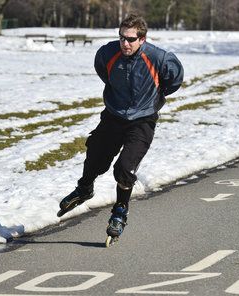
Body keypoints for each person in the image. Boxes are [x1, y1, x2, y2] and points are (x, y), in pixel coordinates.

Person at [57, 13, 184, 241]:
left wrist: (155, 97)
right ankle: (85, 188)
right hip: (114, 116)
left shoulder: (160, 58)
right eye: (122, 38)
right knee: (95, 153)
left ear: (142, 39)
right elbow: (103, 71)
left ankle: (119, 212)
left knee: (124, 169)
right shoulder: (107, 53)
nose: (125, 43)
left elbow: (174, 80)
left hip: (142, 120)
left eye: (131, 39)